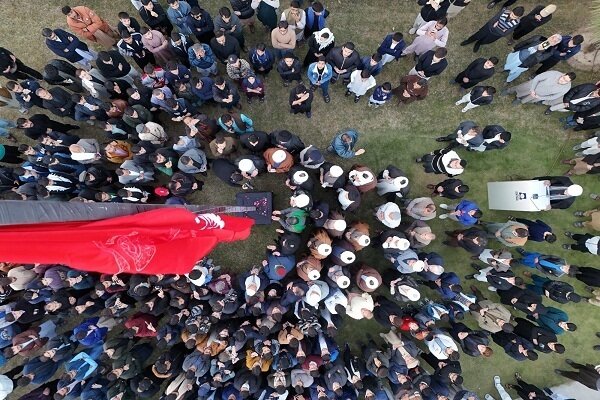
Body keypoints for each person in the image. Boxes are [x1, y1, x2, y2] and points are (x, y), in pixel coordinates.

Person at [460, 7, 524, 52]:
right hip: (488, 28)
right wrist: (500, 30)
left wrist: (495, 27)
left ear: (518, 17)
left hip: (495, 35)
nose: (512, 17)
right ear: (511, 11)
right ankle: (469, 41)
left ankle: (478, 43)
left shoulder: (516, 23)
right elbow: (492, 21)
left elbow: (505, 34)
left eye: (515, 17)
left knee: (486, 41)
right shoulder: (504, 12)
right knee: (477, 35)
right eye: (512, 14)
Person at [504, 71, 575, 106]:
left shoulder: (566, 88)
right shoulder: (554, 73)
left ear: (569, 82)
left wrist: (540, 97)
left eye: (566, 81)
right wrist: (532, 89)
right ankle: (509, 91)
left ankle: (519, 99)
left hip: (539, 95)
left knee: (528, 98)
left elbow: (553, 97)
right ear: (563, 74)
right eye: (563, 78)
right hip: (533, 85)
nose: (562, 80)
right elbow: (538, 78)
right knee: (520, 88)